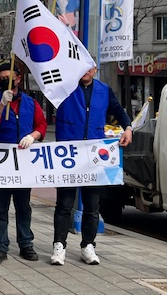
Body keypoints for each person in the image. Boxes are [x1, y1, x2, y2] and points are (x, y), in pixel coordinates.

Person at [50, 64, 133, 266]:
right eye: (83, 67)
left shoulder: (104, 90)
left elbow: (118, 110)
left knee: (93, 205)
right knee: (64, 204)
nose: (86, 70)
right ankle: (59, 246)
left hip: (94, 156)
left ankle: (88, 245)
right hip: (69, 155)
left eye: (90, 67)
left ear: (95, 69)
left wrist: (128, 128)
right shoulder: (64, 88)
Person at [0, 63, 47, 264]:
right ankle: (0, 247)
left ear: (18, 79)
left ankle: (26, 244)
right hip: (1, 162)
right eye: (2, 78)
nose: (6, 81)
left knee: (23, 206)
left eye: (9, 77)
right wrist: (2, 104)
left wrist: (32, 136)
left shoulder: (31, 102)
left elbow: (41, 125)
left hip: (23, 163)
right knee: (0, 208)